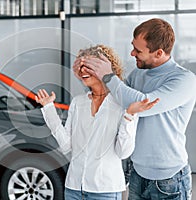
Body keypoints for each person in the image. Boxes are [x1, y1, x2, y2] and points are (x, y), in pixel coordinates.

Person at [74, 18, 196, 200]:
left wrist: (108, 75)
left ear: (158, 53)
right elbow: (114, 99)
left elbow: (143, 105)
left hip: (170, 180)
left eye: (138, 50)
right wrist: (87, 76)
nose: (132, 53)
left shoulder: (183, 80)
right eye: (133, 46)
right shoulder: (138, 73)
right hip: (137, 173)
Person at [35, 44, 159, 200]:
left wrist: (129, 116)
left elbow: (124, 152)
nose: (82, 71)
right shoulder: (78, 102)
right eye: (81, 67)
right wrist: (48, 109)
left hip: (105, 190)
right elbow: (66, 145)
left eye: (89, 66)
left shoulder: (123, 104)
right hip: (73, 188)